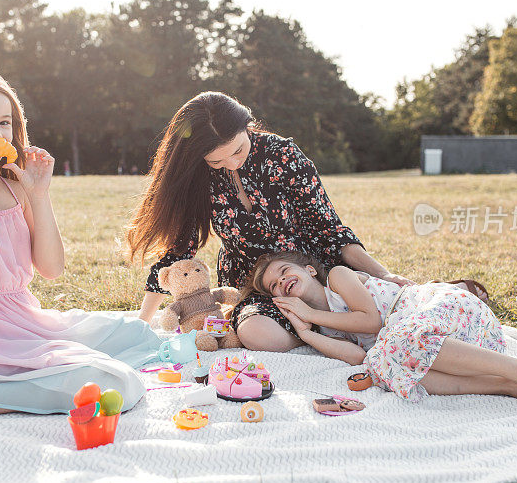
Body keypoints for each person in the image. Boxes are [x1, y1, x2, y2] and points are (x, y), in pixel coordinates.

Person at [0, 64, 161, 430]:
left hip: (27, 320)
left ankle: (30, 379)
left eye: (4, 123)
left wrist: (39, 196)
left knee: (138, 334)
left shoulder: (16, 189)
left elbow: (52, 270)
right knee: (120, 383)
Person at [126, 91, 437, 352]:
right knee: (256, 333)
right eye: (217, 161)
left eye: (238, 150)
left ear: (247, 127)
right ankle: (315, 333)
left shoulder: (283, 155)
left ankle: (327, 322)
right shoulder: (197, 175)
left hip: (309, 272)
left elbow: (330, 229)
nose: (232, 164)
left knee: (385, 303)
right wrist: (143, 323)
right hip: (259, 286)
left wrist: (383, 273)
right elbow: (177, 253)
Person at [247, 250, 517, 414]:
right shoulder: (322, 326)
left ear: (307, 269)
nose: (281, 282)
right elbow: (360, 357)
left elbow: (370, 322)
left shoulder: (337, 277)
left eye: (284, 271)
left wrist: (310, 313)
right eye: (274, 286)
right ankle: (508, 386)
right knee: (385, 369)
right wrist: (307, 333)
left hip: (438, 309)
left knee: (401, 342)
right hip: (435, 349)